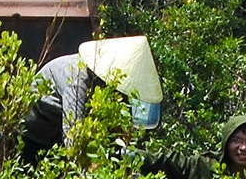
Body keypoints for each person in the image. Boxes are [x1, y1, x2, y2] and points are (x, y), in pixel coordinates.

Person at [21, 35, 163, 166]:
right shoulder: (77, 79)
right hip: (28, 141)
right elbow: (74, 142)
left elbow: (120, 136)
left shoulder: (115, 89)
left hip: (54, 140)